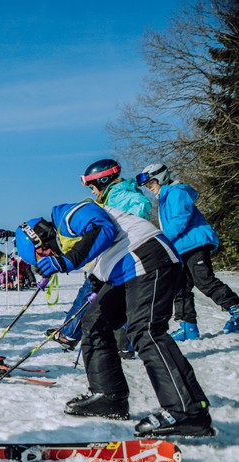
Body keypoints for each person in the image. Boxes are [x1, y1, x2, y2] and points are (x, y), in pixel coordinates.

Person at [16, 199, 214, 438]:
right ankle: (109, 397)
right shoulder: (69, 239)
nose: (48, 255)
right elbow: (97, 254)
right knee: (94, 324)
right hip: (125, 272)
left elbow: (103, 228)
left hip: (148, 256)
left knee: (145, 330)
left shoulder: (67, 214)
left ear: (40, 236)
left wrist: (66, 261)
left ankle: (188, 411)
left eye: (42, 253)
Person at [49, 159, 153, 351]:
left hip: (124, 254)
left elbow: (139, 208)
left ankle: (70, 334)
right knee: (116, 297)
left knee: (91, 291)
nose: (92, 192)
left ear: (102, 181)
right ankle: (124, 343)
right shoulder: (111, 196)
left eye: (92, 187)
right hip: (121, 256)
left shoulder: (122, 196)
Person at [137, 163, 239, 339]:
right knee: (180, 287)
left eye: (150, 183)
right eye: (146, 185)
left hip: (194, 244)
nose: (149, 187)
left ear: (161, 178)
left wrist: (161, 239)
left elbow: (180, 220)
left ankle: (236, 308)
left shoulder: (177, 192)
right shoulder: (164, 197)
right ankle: (188, 326)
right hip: (180, 248)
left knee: (204, 280)